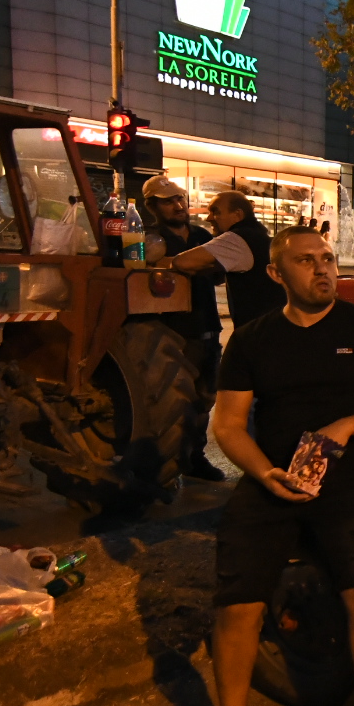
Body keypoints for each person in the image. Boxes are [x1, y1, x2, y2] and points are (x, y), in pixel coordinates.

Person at [183, 225, 354, 706]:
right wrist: (264, 474)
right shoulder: (255, 339)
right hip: (277, 476)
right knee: (237, 602)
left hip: (349, 476)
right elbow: (229, 425)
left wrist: (347, 425)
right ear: (276, 273)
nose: (323, 270)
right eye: (307, 261)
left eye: (328, 259)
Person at [141, 176, 225, 481]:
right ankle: (170, 460)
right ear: (152, 206)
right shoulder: (151, 238)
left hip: (207, 325)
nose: (178, 206)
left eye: (180, 199)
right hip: (172, 330)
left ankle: (194, 458)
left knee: (205, 397)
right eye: (168, 201)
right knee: (174, 402)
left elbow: (218, 274)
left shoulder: (202, 234)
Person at [158, 190, 286, 327]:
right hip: (273, 327)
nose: (209, 218)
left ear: (237, 215)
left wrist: (156, 261)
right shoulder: (259, 236)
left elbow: (182, 262)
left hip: (259, 333)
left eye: (216, 212)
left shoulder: (237, 238)